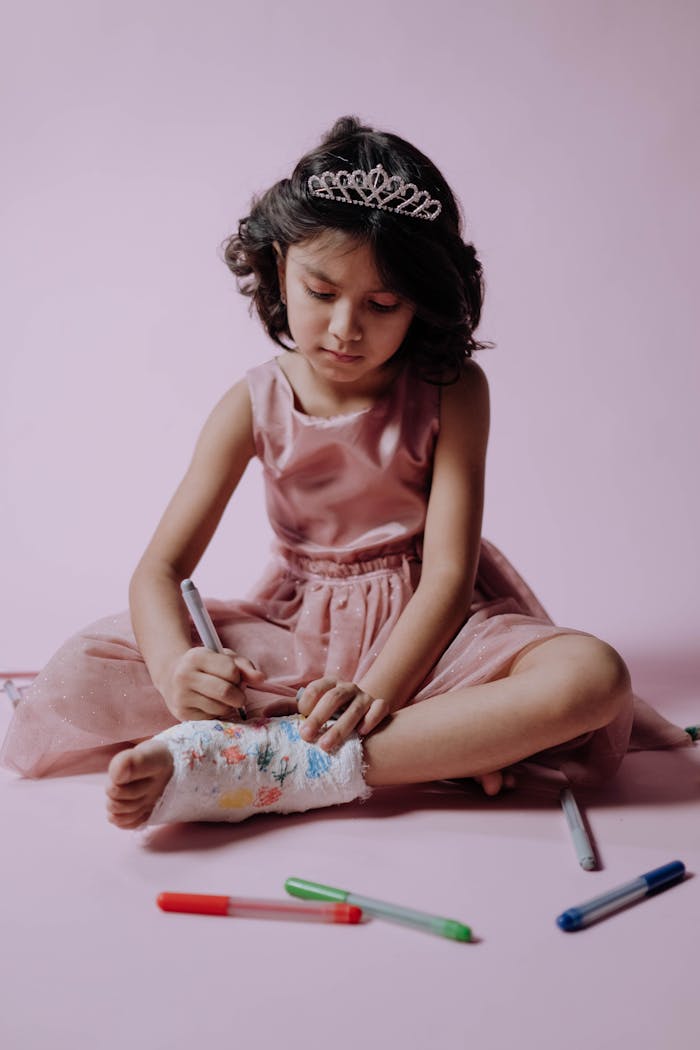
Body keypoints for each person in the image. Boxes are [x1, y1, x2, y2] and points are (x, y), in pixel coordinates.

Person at [1, 116, 688, 828]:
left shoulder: (453, 388)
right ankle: (438, 745)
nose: (344, 329)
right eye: (322, 292)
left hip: (434, 630)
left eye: (382, 304)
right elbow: (160, 569)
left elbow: (449, 578)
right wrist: (179, 671)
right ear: (276, 268)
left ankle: (279, 767)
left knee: (591, 677)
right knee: (84, 668)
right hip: (299, 634)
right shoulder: (253, 402)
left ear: (422, 301)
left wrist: (374, 693)